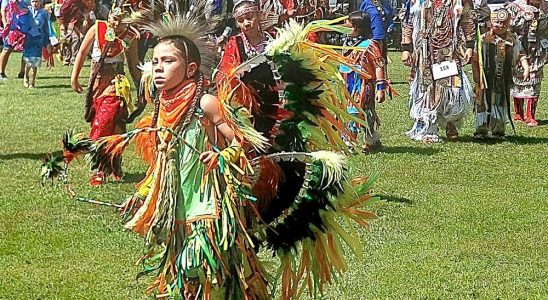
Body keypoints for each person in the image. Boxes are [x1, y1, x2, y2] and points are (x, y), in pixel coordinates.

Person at [70, 4, 141, 185]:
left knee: (107, 120)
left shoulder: (131, 37)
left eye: (121, 21)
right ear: (109, 16)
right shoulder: (97, 28)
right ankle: (113, 164)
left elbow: (133, 66)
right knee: (105, 123)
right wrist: (74, 77)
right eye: (114, 18)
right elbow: (82, 52)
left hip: (116, 85)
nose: (116, 23)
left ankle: (101, 168)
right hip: (97, 84)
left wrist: (141, 89)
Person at [401, 0, 475, 143]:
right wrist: (406, 48)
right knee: (427, 89)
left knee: (451, 88)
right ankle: (428, 126)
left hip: (449, 50)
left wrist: (470, 45)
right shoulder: (417, 1)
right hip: (424, 50)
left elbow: (468, 19)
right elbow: (408, 21)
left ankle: (450, 121)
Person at [475, 8, 530, 140]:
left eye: (504, 23)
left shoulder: (512, 39)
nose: (501, 26)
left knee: (500, 102)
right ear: (490, 23)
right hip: (485, 78)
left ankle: (497, 130)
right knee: (483, 101)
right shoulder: (483, 39)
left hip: (502, 79)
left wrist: (526, 67)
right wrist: (477, 76)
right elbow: (476, 58)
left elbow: (521, 53)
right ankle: (481, 129)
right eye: (497, 22)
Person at [341, 11, 388, 152]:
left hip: (363, 85)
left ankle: (356, 140)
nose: (345, 25)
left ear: (358, 27)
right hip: (348, 84)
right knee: (351, 111)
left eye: (348, 22)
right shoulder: (346, 43)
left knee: (361, 112)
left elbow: (379, 66)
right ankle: (367, 139)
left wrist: (381, 87)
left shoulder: (370, 45)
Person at [506, 0, 548, 126]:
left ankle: (530, 115)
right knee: (517, 80)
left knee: (534, 80)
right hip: (518, 48)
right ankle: (518, 113)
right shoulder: (514, 7)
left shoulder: (545, 7)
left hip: (537, 51)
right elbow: (507, 27)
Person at [21, 0, 55, 88]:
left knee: (35, 61)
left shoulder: (44, 13)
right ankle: (25, 76)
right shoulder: (27, 11)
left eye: (36, 1)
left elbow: (47, 27)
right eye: (33, 1)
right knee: (28, 61)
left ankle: (32, 82)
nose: (35, 4)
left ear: (40, 2)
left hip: (39, 39)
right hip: (29, 39)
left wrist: (48, 41)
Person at [0, 0, 27, 80]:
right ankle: (1, 72)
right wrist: (5, 23)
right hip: (12, 28)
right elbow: (3, 10)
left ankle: (23, 72)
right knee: (7, 49)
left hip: (25, 27)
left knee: (26, 50)